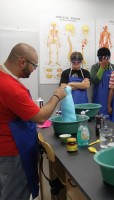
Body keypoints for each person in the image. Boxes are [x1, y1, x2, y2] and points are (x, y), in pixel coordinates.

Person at [0, 43, 66, 200]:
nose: (34, 69)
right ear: (22, 62)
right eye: (34, 65)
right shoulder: (11, 87)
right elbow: (41, 117)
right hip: (13, 153)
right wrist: (57, 95)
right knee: (15, 195)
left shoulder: (4, 77)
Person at [91, 47, 114, 118]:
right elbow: (95, 82)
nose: (103, 60)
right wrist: (102, 68)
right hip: (99, 97)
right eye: (100, 58)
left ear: (109, 58)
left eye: (105, 58)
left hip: (112, 97)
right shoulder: (95, 67)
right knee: (99, 118)